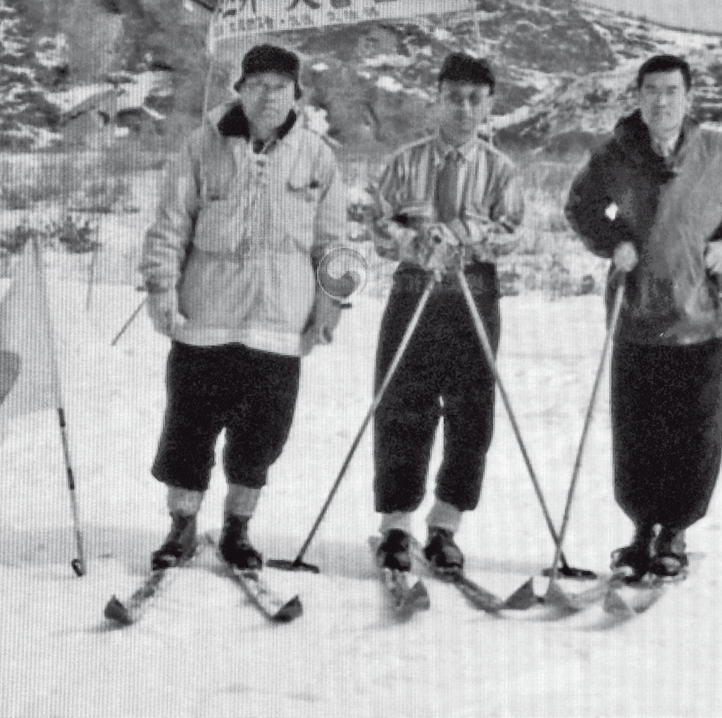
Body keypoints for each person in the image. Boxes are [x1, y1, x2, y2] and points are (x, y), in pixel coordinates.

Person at [564, 53, 722, 581]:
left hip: (701, 317)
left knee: (695, 433)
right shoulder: (616, 155)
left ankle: (675, 533)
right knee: (637, 430)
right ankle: (641, 529)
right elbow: (580, 206)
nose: (661, 101)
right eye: (651, 91)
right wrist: (612, 239)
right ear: (638, 98)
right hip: (638, 314)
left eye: (671, 91)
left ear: (688, 98)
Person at [139, 43, 347, 571]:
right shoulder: (200, 147)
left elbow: (336, 245)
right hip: (205, 322)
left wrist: (331, 306)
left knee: (260, 440)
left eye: (279, 86)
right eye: (256, 84)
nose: (268, 95)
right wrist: (162, 292)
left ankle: (237, 530)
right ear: (239, 91)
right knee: (188, 431)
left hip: (280, 329)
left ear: (297, 95)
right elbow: (169, 227)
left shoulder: (319, 157)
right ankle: (181, 528)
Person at [369, 52, 524, 573]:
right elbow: (375, 222)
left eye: (475, 100)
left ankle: (446, 523)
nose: (463, 108)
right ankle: (395, 525)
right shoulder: (405, 161)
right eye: (454, 98)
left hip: (473, 294)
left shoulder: (501, 170)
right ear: (437, 100)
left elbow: (513, 232)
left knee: (470, 412)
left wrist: (464, 235)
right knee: (400, 404)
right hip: (415, 289)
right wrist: (416, 243)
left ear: (488, 107)